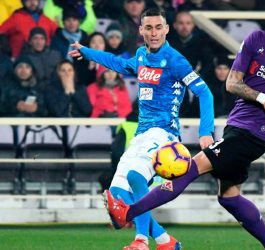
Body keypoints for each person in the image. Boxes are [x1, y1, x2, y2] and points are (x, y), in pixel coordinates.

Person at [101, 1, 265, 250]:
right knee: (229, 197)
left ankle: (128, 213)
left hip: (256, 134)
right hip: (235, 126)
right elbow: (232, 84)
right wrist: (264, 98)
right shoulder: (256, 40)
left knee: (187, 169)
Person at [69, 7, 214, 250]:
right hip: (141, 133)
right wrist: (88, 53)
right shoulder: (140, 56)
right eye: (149, 27)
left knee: (136, 176)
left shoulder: (176, 60)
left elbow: (204, 92)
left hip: (164, 132)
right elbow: (119, 63)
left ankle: (140, 241)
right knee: (117, 192)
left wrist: (205, 131)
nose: (154, 33)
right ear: (141, 30)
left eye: (159, 27)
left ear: (167, 29)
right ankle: (166, 241)